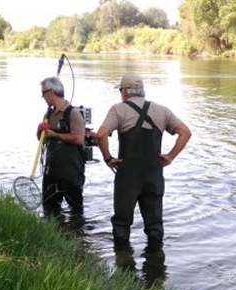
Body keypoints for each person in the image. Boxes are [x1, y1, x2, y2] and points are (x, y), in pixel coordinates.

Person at [96, 72, 192, 251]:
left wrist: (108, 158)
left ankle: (123, 265)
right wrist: (170, 156)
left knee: (122, 222)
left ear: (125, 90)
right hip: (154, 175)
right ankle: (156, 267)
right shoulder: (162, 110)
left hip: (127, 177)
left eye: (120, 90)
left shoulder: (118, 109)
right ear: (142, 91)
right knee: (154, 224)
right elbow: (185, 132)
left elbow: (101, 135)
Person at [36, 76, 86, 218]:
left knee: (76, 211)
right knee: (48, 208)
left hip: (72, 172)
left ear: (50, 93)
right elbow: (40, 139)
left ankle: (76, 235)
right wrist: (40, 130)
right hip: (52, 171)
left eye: (43, 94)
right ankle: (53, 235)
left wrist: (56, 135)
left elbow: (79, 138)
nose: (43, 97)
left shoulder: (73, 113)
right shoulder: (49, 114)